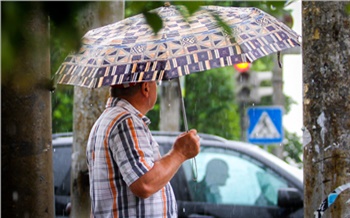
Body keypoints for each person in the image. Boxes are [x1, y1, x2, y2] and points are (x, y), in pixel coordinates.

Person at [86, 81, 200, 217]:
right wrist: (180, 153)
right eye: (155, 83)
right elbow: (145, 184)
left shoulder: (108, 120)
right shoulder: (126, 122)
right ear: (146, 87)